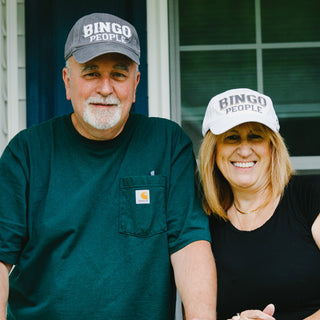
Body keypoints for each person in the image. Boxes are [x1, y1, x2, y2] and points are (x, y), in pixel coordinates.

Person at [0, 13, 217, 320]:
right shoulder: (27, 152)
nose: (105, 88)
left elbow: (190, 246)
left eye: (118, 74)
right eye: (90, 73)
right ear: (67, 81)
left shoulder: (166, 144)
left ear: (136, 82)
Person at [198, 88, 320, 320]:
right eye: (231, 137)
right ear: (213, 151)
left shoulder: (310, 196)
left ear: (272, 147)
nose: (244, 150)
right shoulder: (202, 221)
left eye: (255, 136)